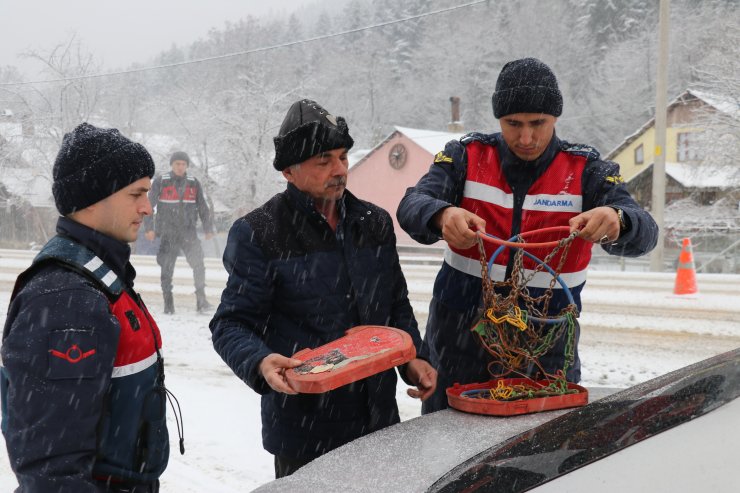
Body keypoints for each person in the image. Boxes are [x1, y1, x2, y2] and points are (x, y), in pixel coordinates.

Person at [397, 58, 659, 414]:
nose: (526, 138)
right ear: (498, 119)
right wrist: (442, 214)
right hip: (460, 341)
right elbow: (413, 203)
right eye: (512, 124)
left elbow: (646, 231)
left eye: (539, 123)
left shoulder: (586, 169)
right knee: (450, 449)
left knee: (541, 458)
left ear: (555, 118)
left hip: (547, 350)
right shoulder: (466, 156)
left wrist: (619, 220)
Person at [209, 99, 437, 478]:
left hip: (378, 421)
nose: (339, 170)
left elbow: (394, 304)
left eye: (343, 157)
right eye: (324, 161)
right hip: (305, 431)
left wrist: (412, 355)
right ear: (289, 171)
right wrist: (260, 362)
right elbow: (230, 324)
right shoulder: (260, 233)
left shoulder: (374, 222)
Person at [1, 123, 171, 492]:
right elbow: (50, 468)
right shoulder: (65, 297)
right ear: (93, 198)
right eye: (137, 194)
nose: (148, 207)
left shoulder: (99, 273)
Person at [144, 151, 214, 314]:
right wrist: (149, 228)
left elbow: (203, 207)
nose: (180, 167)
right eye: (177, 164)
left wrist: (208, 228)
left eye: (183, 164)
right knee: (166, 269)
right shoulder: (161, 181)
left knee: (199, 265)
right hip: (168, 234)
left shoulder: (193, 183)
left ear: (187, 166)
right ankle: (168, 305)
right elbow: (149, 206)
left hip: (189, 234)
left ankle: (201, 301)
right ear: (172, 165)